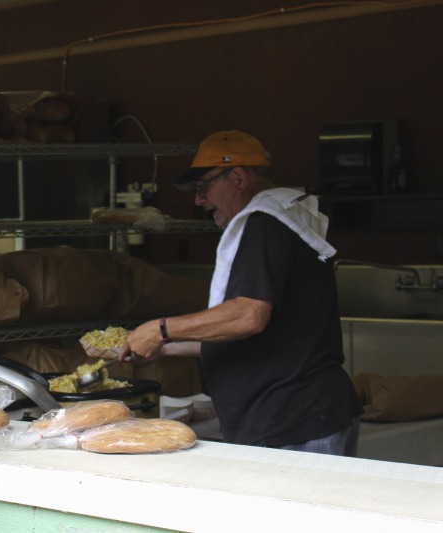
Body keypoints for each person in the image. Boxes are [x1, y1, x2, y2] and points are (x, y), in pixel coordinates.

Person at [123, 129, 363, 456]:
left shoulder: (264, 225)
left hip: (293, 423)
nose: (199, 200)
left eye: (204, 186)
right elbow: (249, 333)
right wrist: (161, 347)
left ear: (238, 178)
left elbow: (249, 316)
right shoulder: (279, 222)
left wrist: (161, 329)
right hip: (297, 418)